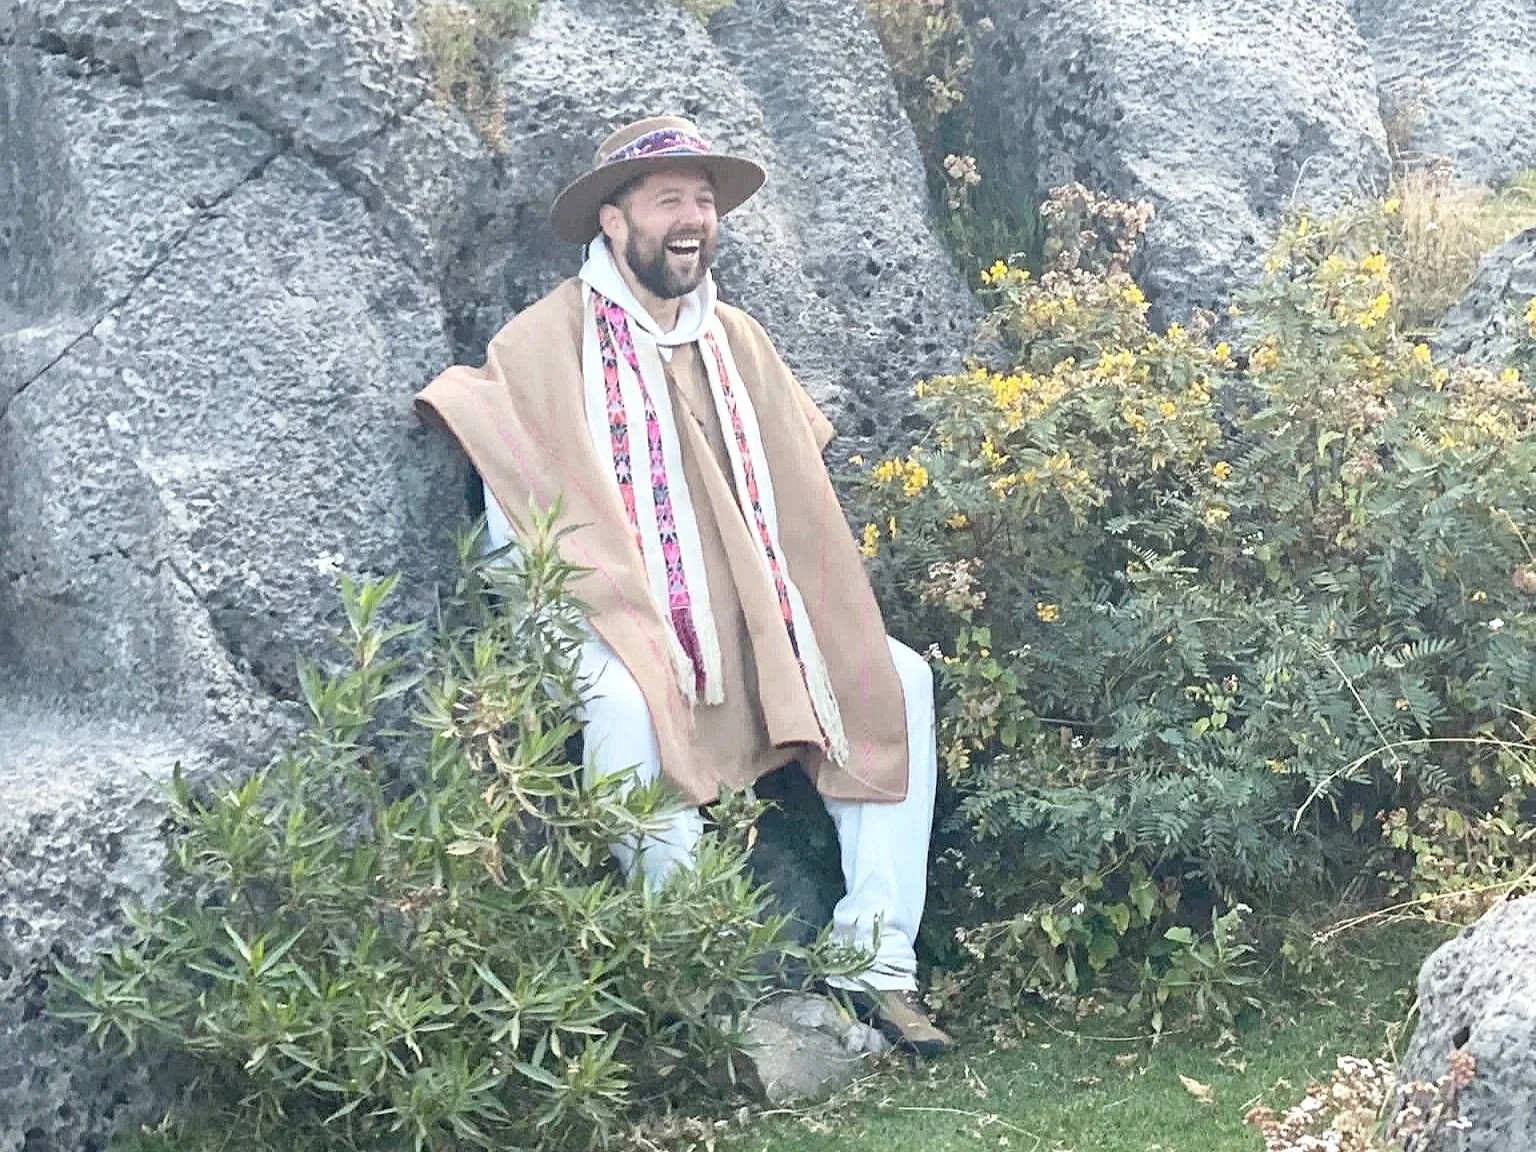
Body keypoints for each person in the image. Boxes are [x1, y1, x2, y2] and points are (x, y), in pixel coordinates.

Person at [415, 115, 953, 1056]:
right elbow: (516, 506)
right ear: (613, 221)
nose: (693, 217)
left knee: (895, 680)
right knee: (626, 706)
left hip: (751, 615)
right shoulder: (548, 344)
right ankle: (698, 971)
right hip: (614, 618)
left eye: (704, 199)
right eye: (670, 199)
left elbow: (795, 491)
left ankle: (876, 965)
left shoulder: (738, 342)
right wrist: (591, 623)